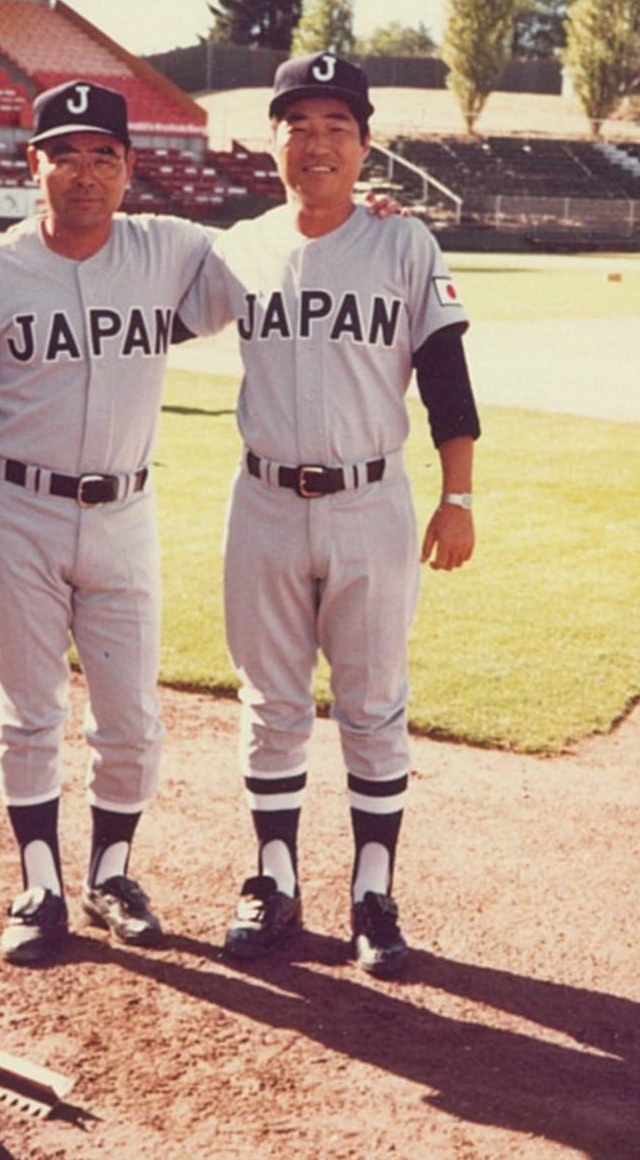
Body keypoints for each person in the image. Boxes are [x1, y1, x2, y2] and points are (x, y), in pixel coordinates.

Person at [177, 52, 481, 980]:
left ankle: (373, 895)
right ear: (272, 141)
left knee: (373, 703)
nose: (316, 143)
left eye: (335, 128)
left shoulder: (404, 242)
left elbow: (447, 380)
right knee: (268, 702)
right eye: (298, 126)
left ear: (364, 144)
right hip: (262, 500)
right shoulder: (238, 247)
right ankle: (273, 881)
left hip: (371, 500)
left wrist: (458, 494)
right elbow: (142, 316)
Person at [0, 82, 216, 965]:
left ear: (129, 168)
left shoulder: (168, 251)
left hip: (125, 511)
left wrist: (355, 210)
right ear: (32, 163)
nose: (85, 172)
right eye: (66, 154)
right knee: (29, 712)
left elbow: (280, 255)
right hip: (21, 512)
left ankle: (111, 874)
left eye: (104, 155)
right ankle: (39, 881)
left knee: (131, 717)